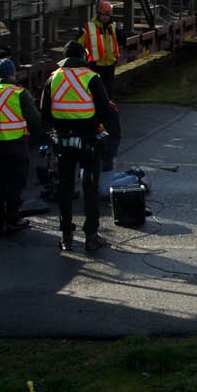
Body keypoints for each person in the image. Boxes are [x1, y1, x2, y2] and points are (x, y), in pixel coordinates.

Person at [42, 41, 117, 253]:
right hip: (88, 141)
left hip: (63, 142)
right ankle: (91, 237)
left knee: (65, 188)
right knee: (89, 186)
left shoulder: (53, 78)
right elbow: (106, 109)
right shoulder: (91, 77)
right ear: (83, 57)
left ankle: (67, 237)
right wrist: (94, 126)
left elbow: (45, 112)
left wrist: (61, 125)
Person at [0, 57, 40, 236]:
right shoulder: (20, 93)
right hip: (18, 144)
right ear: (13, 74)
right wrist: (27, 129)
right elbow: (35, 118)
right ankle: (13, 219)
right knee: (16, 183)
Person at [80, 0, 121, 92]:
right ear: (98, 14)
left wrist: (120, 31)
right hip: (95, 65)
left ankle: (107, 105)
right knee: (96, 90)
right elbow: (79, 44)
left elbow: (120, 42)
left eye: (108, 15)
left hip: (110, 64)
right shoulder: (88, 27)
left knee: (108, 90)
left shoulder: (113, 27)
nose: (106, 17)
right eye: (104, 14)